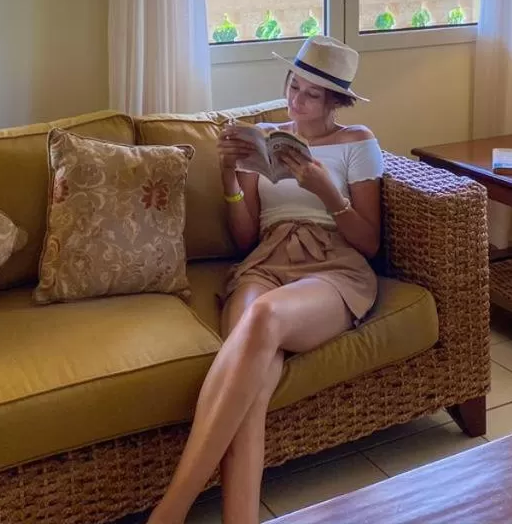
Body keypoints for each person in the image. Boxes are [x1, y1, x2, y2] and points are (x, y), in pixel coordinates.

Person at [148, 36, 383, 524]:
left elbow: (369, 242)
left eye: (311, 94)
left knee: (262, 317)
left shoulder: (356, 141)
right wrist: (231, 179)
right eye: (292, 87)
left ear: (335, 101)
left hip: (333, 263)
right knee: (251, 392)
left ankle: (169, 512)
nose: (295, 101)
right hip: (267, 258)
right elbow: (243, 238)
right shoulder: (265, 138)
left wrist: (324, 190)